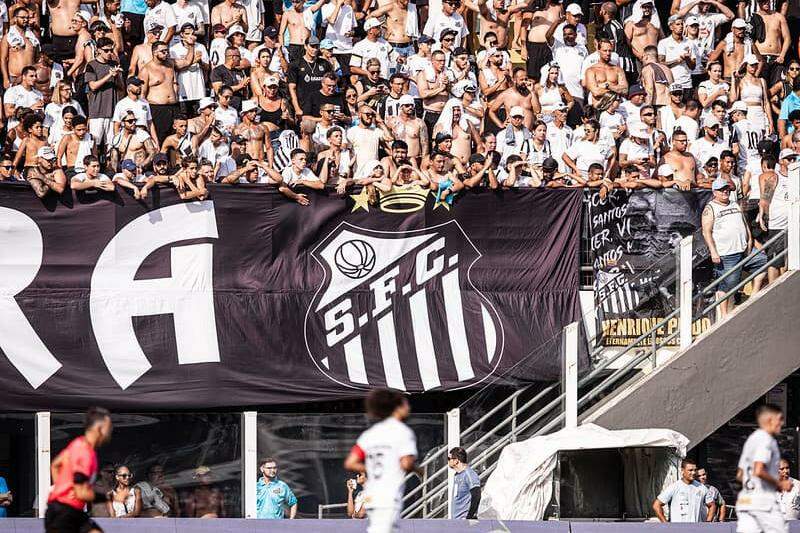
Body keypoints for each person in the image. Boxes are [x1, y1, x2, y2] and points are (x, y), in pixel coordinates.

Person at [344, 388, 418, 533]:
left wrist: (373, 469)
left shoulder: (369, 434)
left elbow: (350, 463)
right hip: (388, 497)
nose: (408, 407)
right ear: (396, 408)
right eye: (405, 403)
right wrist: (418, 469)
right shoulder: (402, 431)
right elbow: (406, 463)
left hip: (372, 497)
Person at [702, 177, 767, 318]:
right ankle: (724, 314)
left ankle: (754, 296)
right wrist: (713, 251)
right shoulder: (710, 208)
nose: (725, 192)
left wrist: (750, 239)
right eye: (721, 190)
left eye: (726, 189)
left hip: (744, 249)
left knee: (762, 262)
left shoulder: (734, 204)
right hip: (727, 253)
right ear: (715, 192)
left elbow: (744, 223)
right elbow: (706, 232)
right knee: (727, 284)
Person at [46, 407, 113, 533]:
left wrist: (61, 489)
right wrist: (110, 498)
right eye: (108, 428)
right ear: (99, 429)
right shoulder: (84, 453)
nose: (110, 432)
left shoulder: (78, 443)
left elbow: (55, 465)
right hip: (62, 514)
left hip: (72, 511)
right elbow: (81, 493)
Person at [736, 404, 792, 533]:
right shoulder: (766, 440)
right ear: (769, 420)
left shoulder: (751, 440)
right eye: (780, 419)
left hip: (746, 501)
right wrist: (779, 484)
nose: (782, 423)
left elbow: (740, 474)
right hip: (763, 502)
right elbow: (758, 470)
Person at [758, 148, 795, 283]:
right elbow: (765, 199)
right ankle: (772, 287)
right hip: (777, 224)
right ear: (781, 161)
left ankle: (785, 286)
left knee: (787, 260)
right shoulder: (774, 177)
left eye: (794, 158)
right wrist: (763, 216)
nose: (792, 161)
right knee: (775, 260)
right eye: (788, 159)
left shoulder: (795, 177)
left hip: (792, 223)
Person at [448, 446, 480, 520]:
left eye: (449, 459)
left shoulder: (469, 474)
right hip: (456, 520)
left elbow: (476, 495)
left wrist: (469, 517)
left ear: (456, 460)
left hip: (464, 521)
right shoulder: (457, 475)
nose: (448, 461)